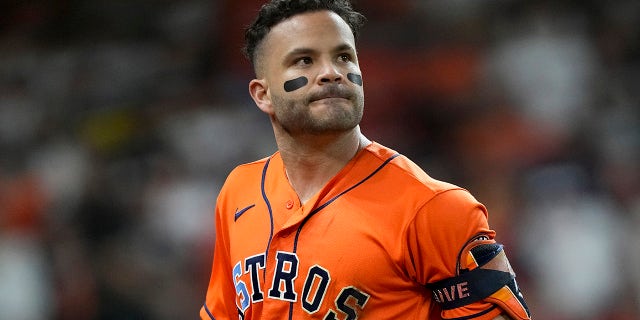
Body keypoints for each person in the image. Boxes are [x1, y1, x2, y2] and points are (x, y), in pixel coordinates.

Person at [200, 1, 531, 319]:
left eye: (344, 56)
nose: (332, 72)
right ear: (263, 94)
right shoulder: (238, 192)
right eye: (304, 60)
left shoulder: (434, 208)